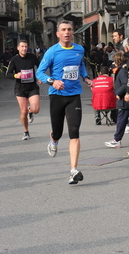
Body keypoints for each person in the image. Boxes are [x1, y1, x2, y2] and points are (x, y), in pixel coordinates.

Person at [36, 20, 92, 185]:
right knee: (58, 132)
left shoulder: (79, 49)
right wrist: (52, 81)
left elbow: (80, 65)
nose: (67, 32)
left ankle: (73, 170)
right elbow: (39, 73)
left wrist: (86, 77)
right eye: (63, 30)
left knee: (74, 131)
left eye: (69, 29)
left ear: (72, 32)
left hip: (74, 95)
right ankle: (53, 140)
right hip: (57, 95)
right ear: (58, 34)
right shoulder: (52, 52)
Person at [8, 40, 41, 140]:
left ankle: (31, 111)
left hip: (32, 87)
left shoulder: (32, 57)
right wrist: (15, 75)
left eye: (26, 46)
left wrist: (40, 76)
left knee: (35, 109)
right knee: (23, 112)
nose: (24, 48)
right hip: (20, 88)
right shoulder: (14, 59)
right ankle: (26, 132)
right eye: (22, 46)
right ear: (18, 48)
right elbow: (7, 74)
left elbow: (40, 67)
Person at [104, 51, 129, 148]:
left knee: (121, 120)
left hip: (123, 100)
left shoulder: (122, 71)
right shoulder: (123, 69)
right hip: (126, 100)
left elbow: (125, 83)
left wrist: (118, 93)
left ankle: (117, 139)